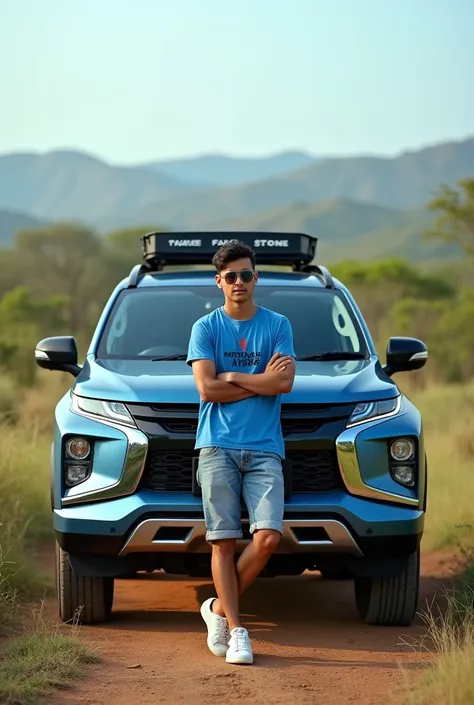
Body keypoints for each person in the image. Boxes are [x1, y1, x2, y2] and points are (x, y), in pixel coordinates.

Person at [186, 239, 296, 665]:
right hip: (217, 446)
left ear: (256, 277)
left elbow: (283, 384)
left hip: (265, 448)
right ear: (219, 282)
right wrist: (255, 378)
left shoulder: (278, 324)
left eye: (245, 274)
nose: (238, 282)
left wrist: (231, 374)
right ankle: (237, 630)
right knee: (224, 542)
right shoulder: (206, 328)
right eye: (230, 276)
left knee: (267, 537)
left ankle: (214, 608)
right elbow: (205, 388)